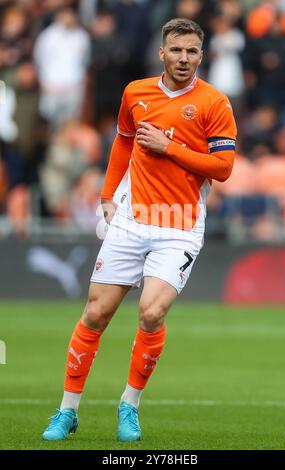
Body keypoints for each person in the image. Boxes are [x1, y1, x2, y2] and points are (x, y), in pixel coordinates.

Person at [42, 17, 237, 442]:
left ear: (202, 56)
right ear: (162, 53)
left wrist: (171, 148)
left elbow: (223, 168)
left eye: (192, 51)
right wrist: (107, 195)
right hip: (131, 219)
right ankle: (67, 410)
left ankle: (129, 405)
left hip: (180, 224)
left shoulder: (215, 103)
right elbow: (124, 141)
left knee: (151, 312)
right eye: (177, 50)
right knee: (96, 313)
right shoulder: (136, 92)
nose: (184, 58)